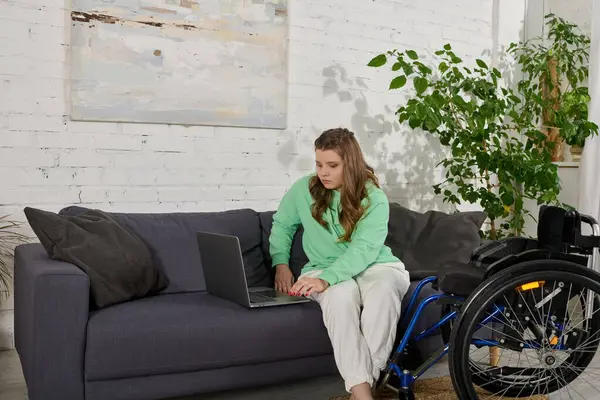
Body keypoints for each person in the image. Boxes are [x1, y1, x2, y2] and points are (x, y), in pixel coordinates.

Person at [269, 128, 411, 400]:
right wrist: (281, 264)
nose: (323, 172)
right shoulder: (303, 189)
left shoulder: (374, 198)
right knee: (340, 296)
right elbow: (283, 224)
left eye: (332, 165)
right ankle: (365, 393)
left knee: (384, 290)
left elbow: (364, 249)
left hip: (374, 264)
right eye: (319, 164)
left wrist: (326, 279)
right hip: (322, 267)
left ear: (351, 163)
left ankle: (363, 384)